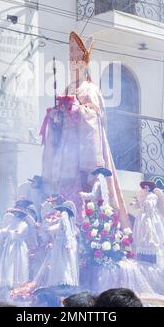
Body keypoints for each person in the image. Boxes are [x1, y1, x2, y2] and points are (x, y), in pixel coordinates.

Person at [41, 31, 129, 228]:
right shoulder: (68, 88)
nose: (74, 68)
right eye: (71, 63)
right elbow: (62, 117)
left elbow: (95, 117)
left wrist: (76, 109)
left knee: (86, 191)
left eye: (77, 63)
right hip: (66, 149)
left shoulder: (90, 89)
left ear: (84, 64)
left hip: (84, 149)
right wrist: (56, 115)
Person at [35, 201, 79, 288]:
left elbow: (67, 231)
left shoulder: (64, 216)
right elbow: (58, 228)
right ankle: (61, 281)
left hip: (62, 244)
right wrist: (43, 228)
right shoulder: (63, 218)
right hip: (60, 243)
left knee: (63, 262)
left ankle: (64, 281)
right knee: (61, 262)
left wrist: (67, 243)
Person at [131, 181, 164, 264]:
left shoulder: (153, 196)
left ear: (150, 188)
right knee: (140, 233)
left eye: (147, 187)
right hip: (142, 217)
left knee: (150, 231)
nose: (145, 188)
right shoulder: (142, 195)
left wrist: (146, 202)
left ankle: (150, 243)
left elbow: (150, 204)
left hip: (150, 217)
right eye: (144, 187)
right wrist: (134, 203)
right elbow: (138, 205)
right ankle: (142, 244)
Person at [0, 208, 30, 289]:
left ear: (20, 215)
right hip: (10, 246)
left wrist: (8, 232)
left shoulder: (24, 224)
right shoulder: (13, 223)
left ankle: (17, 285)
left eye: (17, 214)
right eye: (15, 214)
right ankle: (8, 283)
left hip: (18, 247)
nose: (15, 216)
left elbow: (18, 233)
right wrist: (0, 231)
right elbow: (6, 230)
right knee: (8, 264)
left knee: (17, 264)